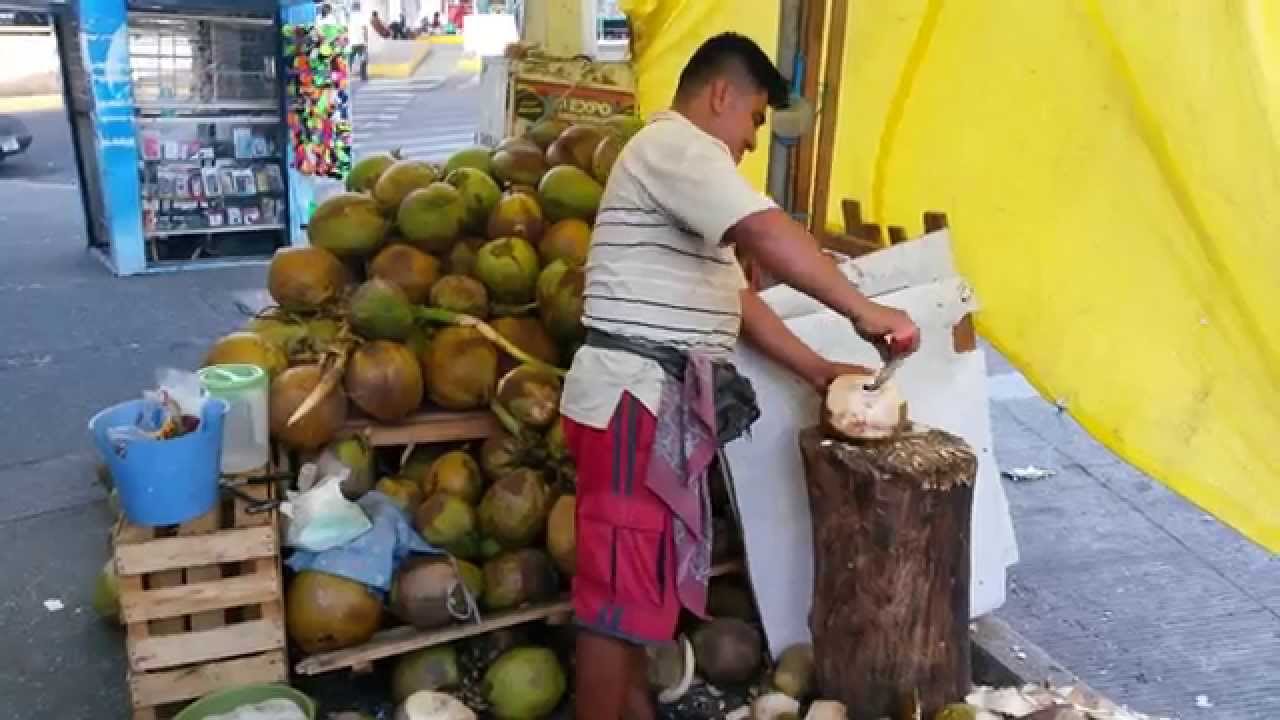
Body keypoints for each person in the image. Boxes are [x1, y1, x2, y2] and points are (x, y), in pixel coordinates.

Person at [560, 32, 921, 720]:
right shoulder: (673, 147)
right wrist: (861, 308)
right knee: (618, 596)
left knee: (642, 592)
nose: (754, 141)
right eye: (755, 118)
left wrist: (819, 371)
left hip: (655, 404)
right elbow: (766, 231)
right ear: (721, 94)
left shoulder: (690, 186)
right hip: (634, 398)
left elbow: (740, 300)